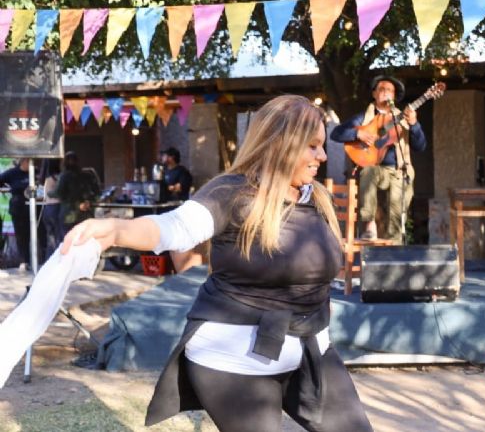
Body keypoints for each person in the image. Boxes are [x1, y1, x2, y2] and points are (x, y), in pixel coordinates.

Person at [62, 95, 373, 431]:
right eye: (312, 146)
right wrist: (117, 229)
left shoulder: (317, 199)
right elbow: (176, 227)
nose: (323, 156)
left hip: (310, 350)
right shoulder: (231, 193)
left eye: (322, 145)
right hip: (233, 357)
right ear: (280, 143)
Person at [330, 75, 427, 243]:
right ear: (374, 93)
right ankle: (368, 224)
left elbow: (421, 146)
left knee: (397, 215)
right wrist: (357, 133)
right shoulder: (364, 117)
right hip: (376, 169)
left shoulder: (402, 118)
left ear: (394, 96)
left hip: (399, 170)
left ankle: (393, 252)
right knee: (368, 171)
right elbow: (336, 133)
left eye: (390, 90)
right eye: (381, 89)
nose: (385, 93)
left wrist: (414, 124)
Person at [0, 158, 37, 271]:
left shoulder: (34, 172)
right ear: (22, 162)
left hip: (33, 206)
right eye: (27, 162)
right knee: (21, 236)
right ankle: (23, 261)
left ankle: (32, 260)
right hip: (18, 207)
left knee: (32, 235)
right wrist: (5, 191)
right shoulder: (12, 173)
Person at [53, 151, 100, 234]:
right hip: (85, 213)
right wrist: (89, 201)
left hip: (68, 213)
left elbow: (59, 193)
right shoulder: (87, 175)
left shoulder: (64, 176)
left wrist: (49, 193)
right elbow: (97, 193)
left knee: (67, 238)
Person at [39, 159, 62, 258]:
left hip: (47, 208)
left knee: (50, 238)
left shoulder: (46, 179)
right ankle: (57, 259)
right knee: (58, 237)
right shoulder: (59, 177)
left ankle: (48, 259)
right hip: (57, 208)